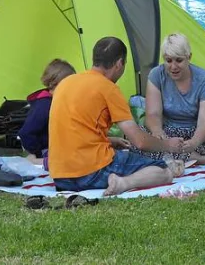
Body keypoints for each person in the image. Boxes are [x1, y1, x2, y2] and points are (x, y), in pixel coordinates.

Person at [49, 37, 186, 196]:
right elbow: (139, 142)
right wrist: (168, 145)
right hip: (92, 172)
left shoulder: (66, 83)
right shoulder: (108, 88)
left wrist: (109, 141)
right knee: (164, 170)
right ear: (119, 63)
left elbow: (72, 130)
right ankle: (123, 183)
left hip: (61, 177)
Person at [136, 33, 205, 164]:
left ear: (189, 58)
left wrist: (194, 142)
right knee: (137, 137)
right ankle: (199, 159)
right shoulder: (156, 75)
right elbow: (152, 114)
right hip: (168, 132)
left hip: (198, 132)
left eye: (179, 60)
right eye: (168, 61)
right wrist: (158, 133)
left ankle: (178, 156)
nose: (173, 66)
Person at [19, 58, 75, 163]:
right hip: (44, 150)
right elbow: (25, 132)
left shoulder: (57, 100)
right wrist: (37, 152)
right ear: (58, 83)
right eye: (71, 83)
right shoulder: (44, 104)